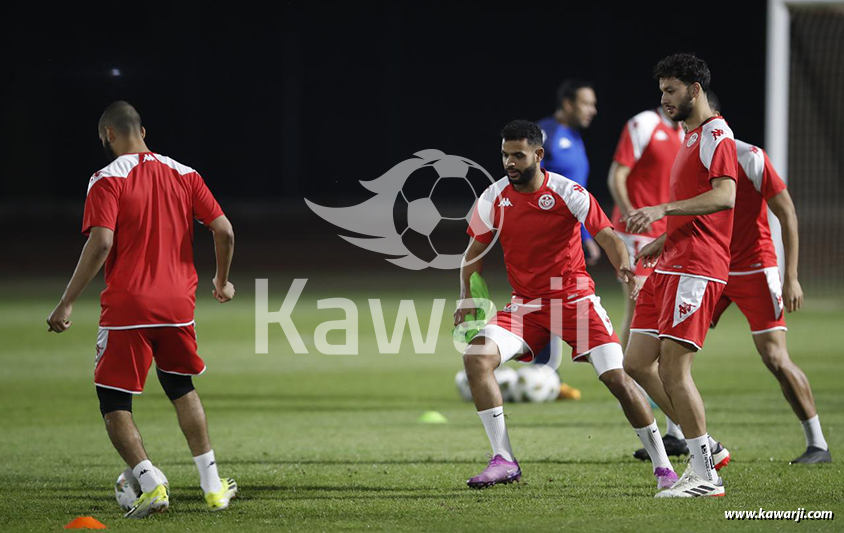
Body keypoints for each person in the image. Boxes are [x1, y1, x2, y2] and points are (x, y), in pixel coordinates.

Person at [455, 119, 678, 491]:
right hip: (526, 306)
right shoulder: (493, 198)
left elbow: (608, 236)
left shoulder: (567, 191)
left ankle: (664, 467)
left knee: (617, 378)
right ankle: (504, 459)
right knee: (477, 358)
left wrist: (624, 265)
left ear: (538, 155)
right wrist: (467, 296)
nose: (510, 163)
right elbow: (472, 252)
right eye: (505, 155)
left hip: (575, 300)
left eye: (518, 155)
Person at [46, 101, 238, 517]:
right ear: (143, 131)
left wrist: (67, 302)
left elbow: (101, 243)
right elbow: (223, 230)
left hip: (128, 306)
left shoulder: (106, 178)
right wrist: (221, 281)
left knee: (113, 401)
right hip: (178, 306)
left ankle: (150, 484)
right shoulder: (185, 174)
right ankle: (212, 487)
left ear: (109, 136)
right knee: (181, 388)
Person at [623, 53, 737, 497]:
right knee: (635, 362)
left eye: (671, 91)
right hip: (672, 261)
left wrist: (661, 209)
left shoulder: (715, 135)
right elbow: (697, 206)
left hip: (698, 267)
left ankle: (706, 474)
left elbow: (724, 196)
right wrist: (661, 240)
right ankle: (705, 444)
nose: (664, 99)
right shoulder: (689, 137)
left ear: (694, 89)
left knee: (673, 369)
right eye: (661, 92)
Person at [706, 93, 830, 464]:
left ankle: (818, 444)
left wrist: (790, 276)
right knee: (670, 350)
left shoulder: (749, 157)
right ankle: (683, 437)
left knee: (775, 357)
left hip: (755, 268)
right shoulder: (691, 157)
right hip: (708, 267)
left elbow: (787, 213)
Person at [608, 105, 689, 458]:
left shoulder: (687, 133)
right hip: (638, 237)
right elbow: (617, 175)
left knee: (664, 322)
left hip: (667, 237)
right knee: (642, 312)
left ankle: (673, 426)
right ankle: (636, 390)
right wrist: (630, 216)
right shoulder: (643, 123)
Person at [538, 79, 601, 266]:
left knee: (569, 293)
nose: (593, 110)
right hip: (547, 238)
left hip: (570, 237)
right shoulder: (544, 134)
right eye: (586, 104)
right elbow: (525, 185)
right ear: (568, 103)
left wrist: (585, 236)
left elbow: (576, 193)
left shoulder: (575, 136)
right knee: (548, 292)